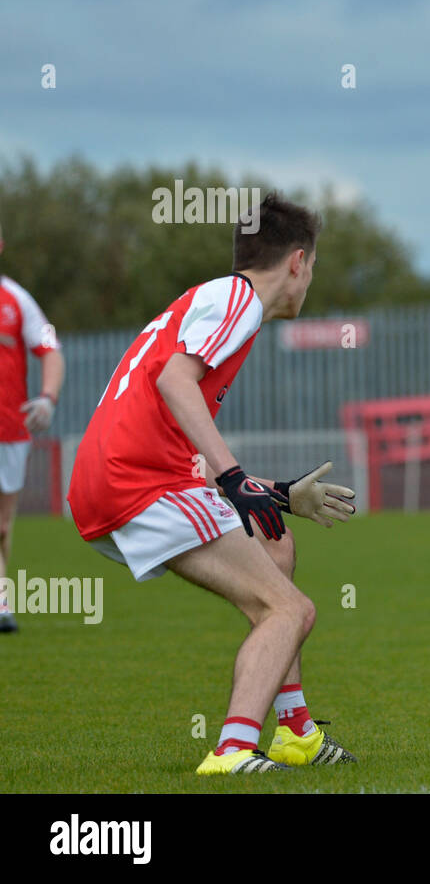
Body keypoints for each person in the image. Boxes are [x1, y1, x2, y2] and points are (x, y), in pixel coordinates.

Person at [67, 193, 359, 772]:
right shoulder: (240, 301)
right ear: (297, 261)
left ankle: (296, 731)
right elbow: (176, 384)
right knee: (289, 612)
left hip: (116, 478)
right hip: (137, 484)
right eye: (314, 266)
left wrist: (277, 493)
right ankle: (233, 749)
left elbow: (188, 445)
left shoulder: (212, 302)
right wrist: (234, 477)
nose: (309, 281)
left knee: (276, 542)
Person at [0, 224, 66, 634]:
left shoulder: (16, 299)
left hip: (9, 429)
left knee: (2, 525)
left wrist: (47, 397)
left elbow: (51, 348)